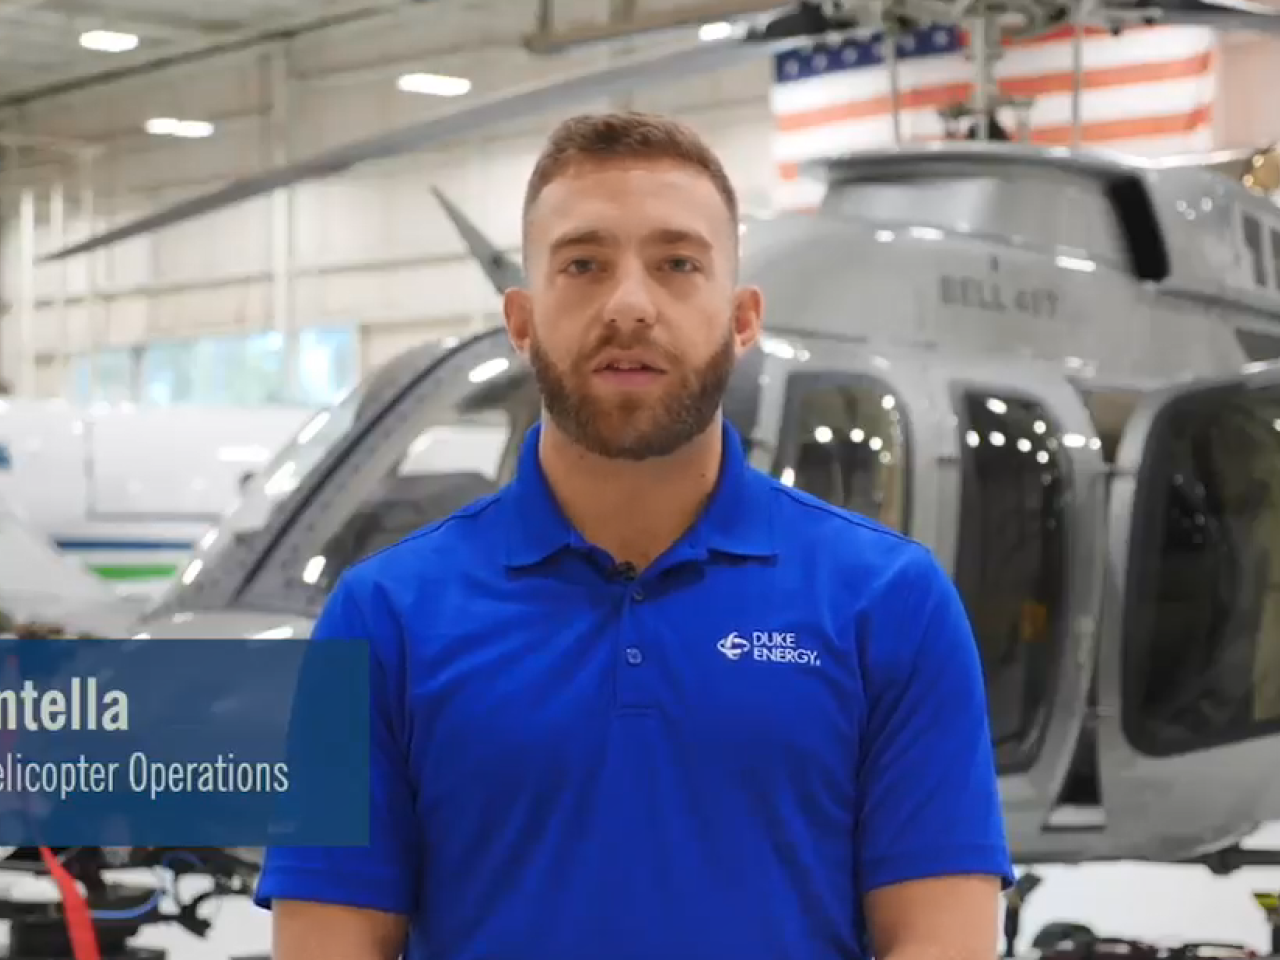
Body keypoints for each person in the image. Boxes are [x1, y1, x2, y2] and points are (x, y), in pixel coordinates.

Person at [254, 110, 1014, 960]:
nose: (629, 304)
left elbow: (940, 942)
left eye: (678, 264)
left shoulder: (893, 604)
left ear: (743, 316)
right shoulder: (376, 619)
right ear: (521, 319)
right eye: (582, 265)